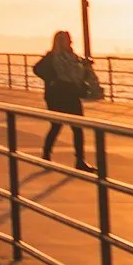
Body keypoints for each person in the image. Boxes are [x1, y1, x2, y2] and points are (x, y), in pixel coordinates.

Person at [33, 29, 91, 168]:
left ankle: (80, 160)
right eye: (67, 39)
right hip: (57, 96)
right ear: (60, 41)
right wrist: (52, 80)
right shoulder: (51, 57)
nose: (71, 41)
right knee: (56, 125)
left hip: (72, 94)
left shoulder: (74, 57)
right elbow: (37, 69)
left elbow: (80, 75)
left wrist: (85, 69)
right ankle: (46, 155)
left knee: (78, 128)